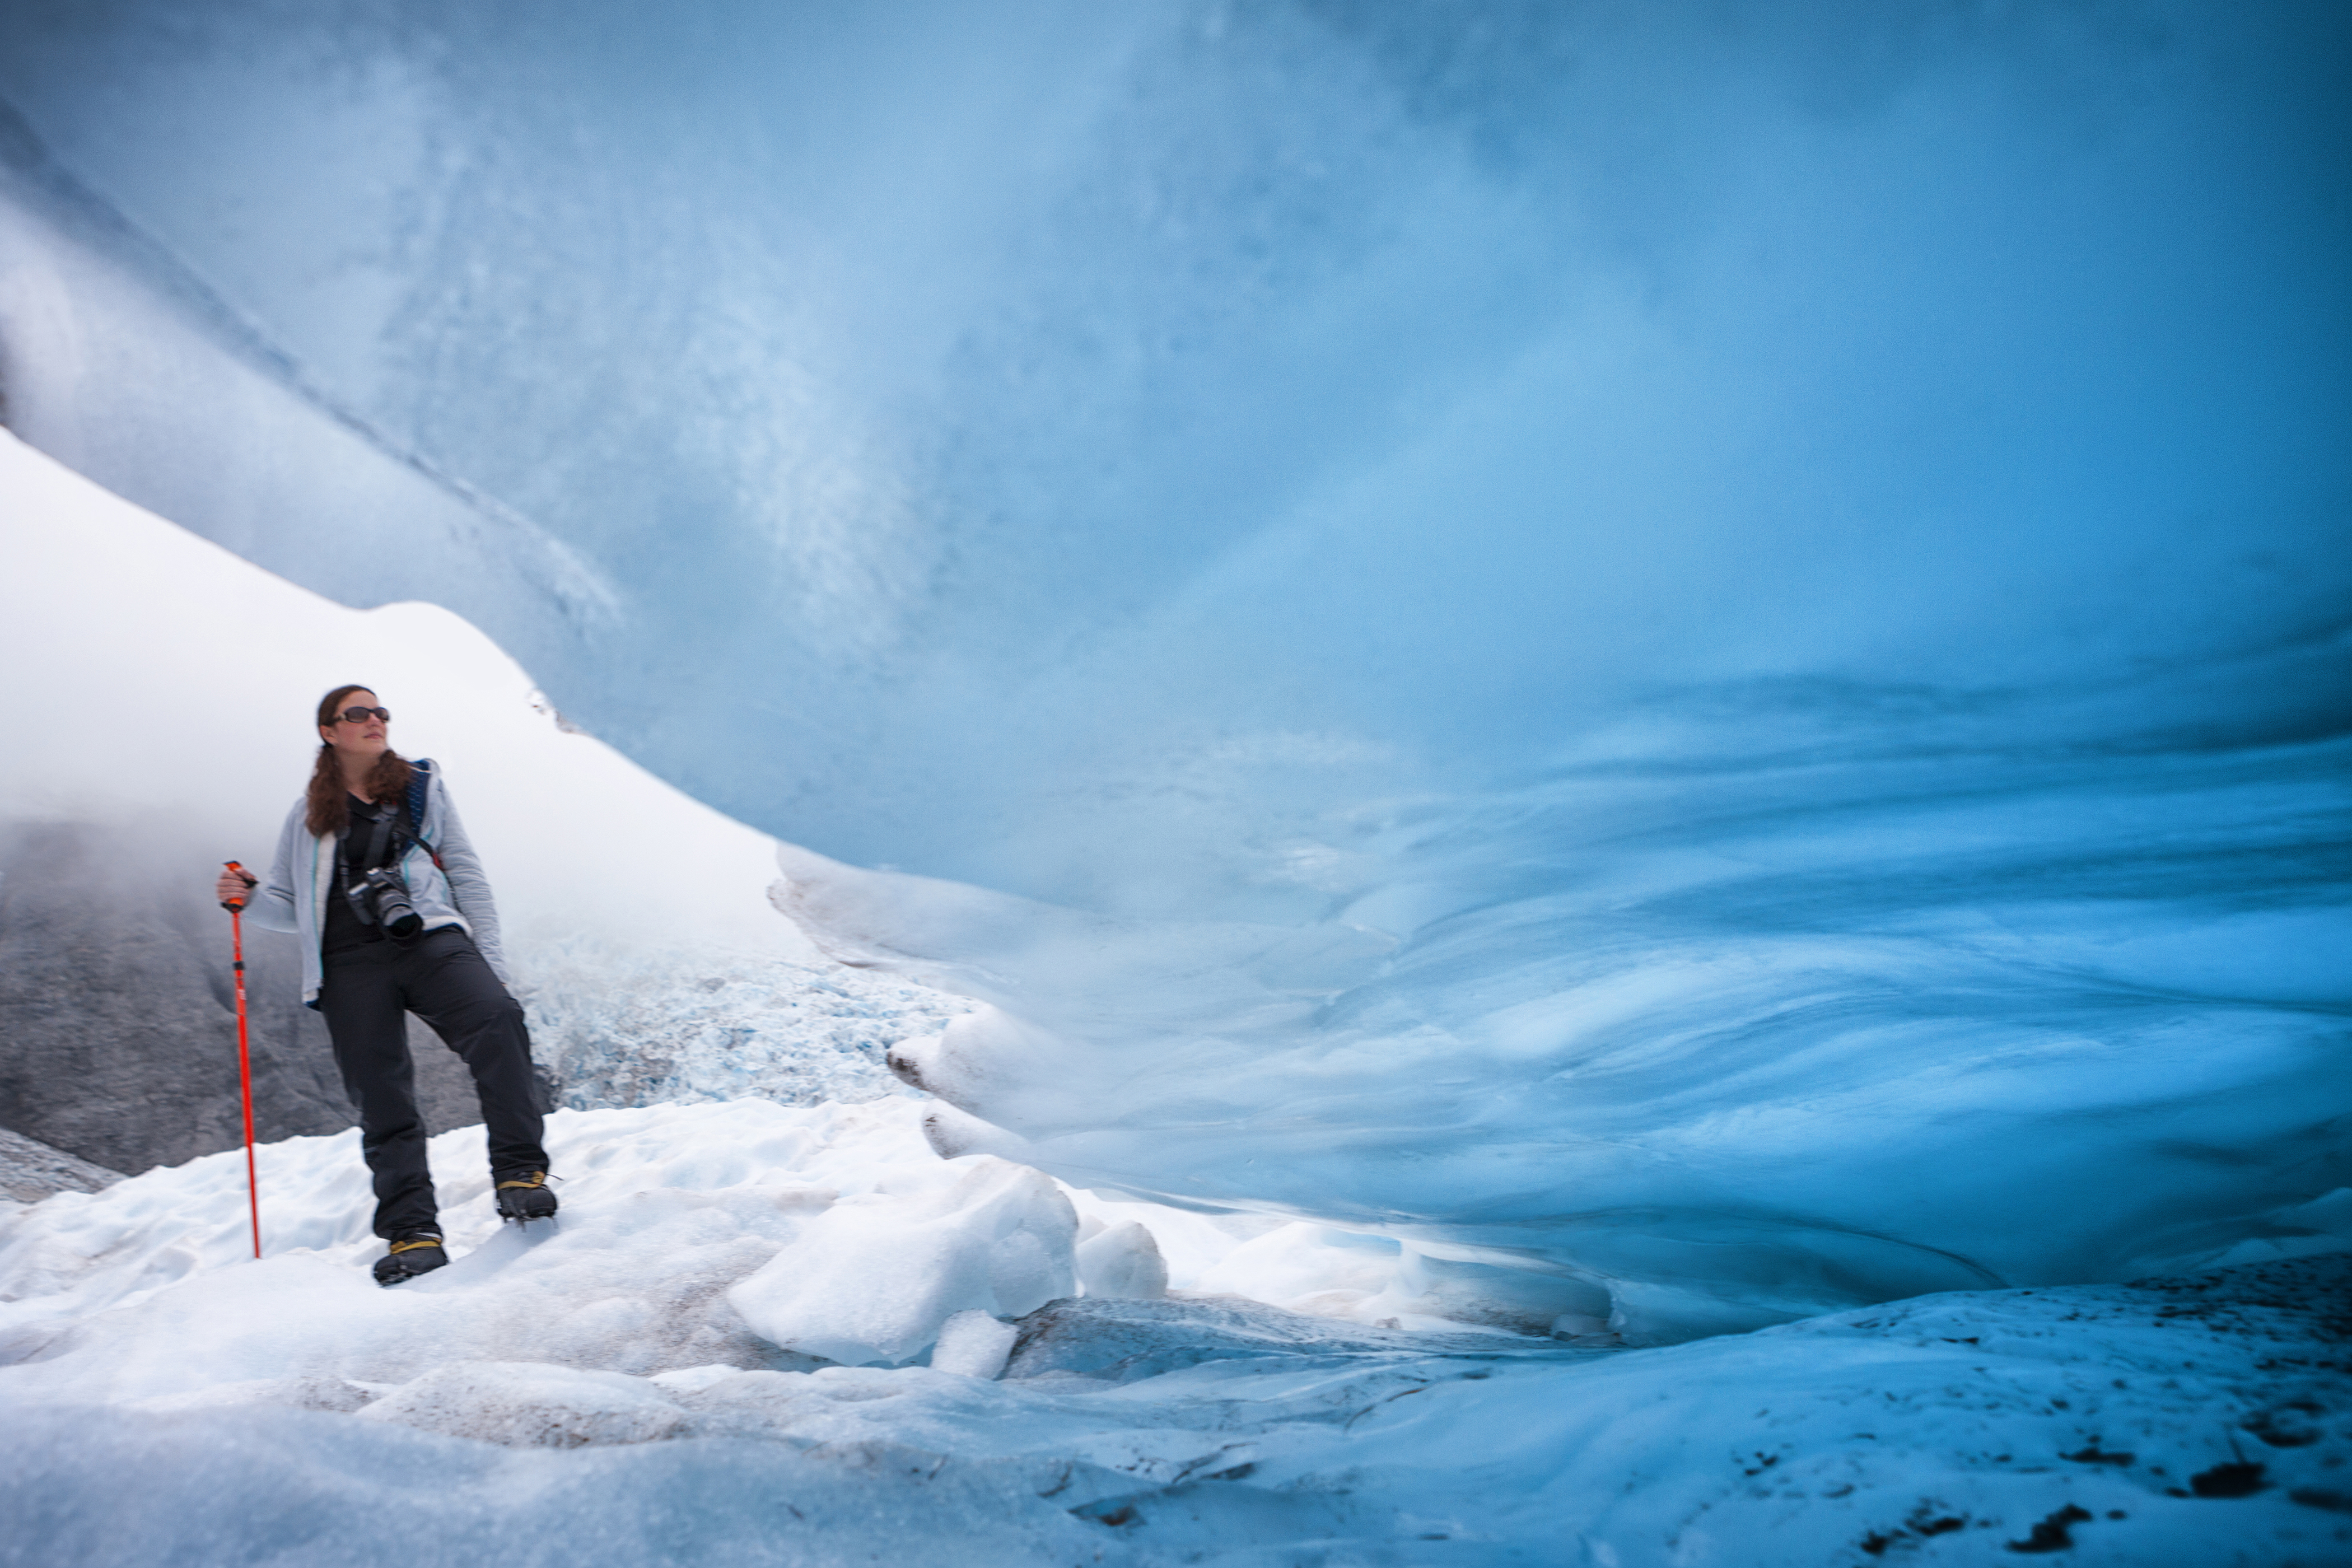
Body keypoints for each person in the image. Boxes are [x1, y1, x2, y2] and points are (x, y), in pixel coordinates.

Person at [217, 685, 556, 1285]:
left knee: (497, 1017)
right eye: (359, 713)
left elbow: (469, 875)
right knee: (384, 1097)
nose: (376, 720)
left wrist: (492, 960)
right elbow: (287, 907)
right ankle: (413, 1233)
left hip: (428, 936)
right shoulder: (307, 815)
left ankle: (520, 1175)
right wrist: (245, 897)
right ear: (329, 731)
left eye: (381, 712)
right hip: (347, 962)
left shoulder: (423, 789)